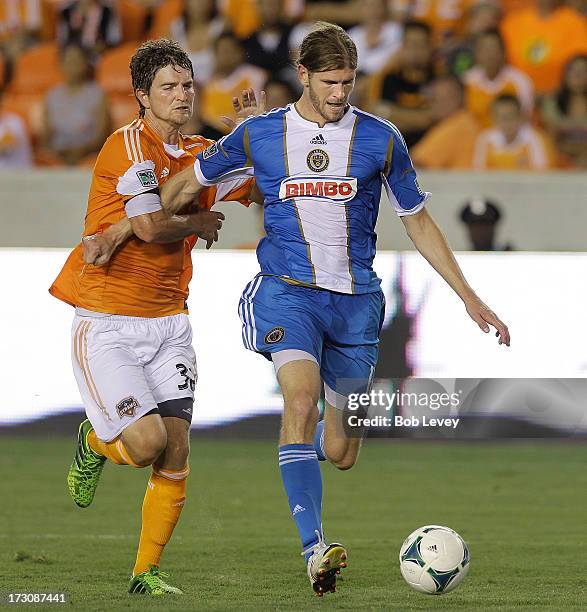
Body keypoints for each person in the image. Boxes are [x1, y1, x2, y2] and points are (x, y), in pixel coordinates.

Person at [85, 22, 510, 598]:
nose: (340, 93)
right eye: (330, 82)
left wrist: (469, 296)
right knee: (300, 399)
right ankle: (314, 550)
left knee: (340, 450)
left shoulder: (382, 139)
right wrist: (116, 230)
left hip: (357, 306)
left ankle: (315, 459)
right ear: (303, 75)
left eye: (349, 82)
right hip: (287, 292)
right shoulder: (262, 134)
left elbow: (417, 220)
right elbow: (183, 186)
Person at [49, 39, 257, 596]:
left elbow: (259, 186)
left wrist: (254, 136)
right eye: (168, 86)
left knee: (177, 447)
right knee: (143, 445)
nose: (182, 94)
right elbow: (147, 226)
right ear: (142, 96)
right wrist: (199, 221)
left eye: (187, 84)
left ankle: (146, 572)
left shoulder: (200, 152)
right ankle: (94, 441)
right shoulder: (127, 148)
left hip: (171, 321)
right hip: (109, 320)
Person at [39, 43, 109, 166]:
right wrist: (52, 153)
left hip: (87, 155)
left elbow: (101, 135)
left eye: (77, 61)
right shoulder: (52, 95)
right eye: (68, 61)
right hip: (58, 154)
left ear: (85, 64)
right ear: (60, 65)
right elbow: (46, 136)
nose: (73, 65)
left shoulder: (97, 94)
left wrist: (82, 151)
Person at [369, 20, 436, 146]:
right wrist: (419, 119)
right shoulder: (387, 78)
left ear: (430, 47)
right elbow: (374, 116)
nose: (414, 51)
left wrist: (390, 113)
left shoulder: (439, 79)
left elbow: (432, 119)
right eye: (409, 45)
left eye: (420, 45)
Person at [463, 28, 534, 127]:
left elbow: (525, 118)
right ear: (477, 53)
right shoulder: (468, 80)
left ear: (503, 52)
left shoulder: (519, 81)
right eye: (484, 49)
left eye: (493, 49)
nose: (489, 54)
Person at [411, 75, 480, 169]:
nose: (435, 104)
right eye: (434, 99)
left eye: (445, 98)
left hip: (458, 182)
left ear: (460, 99)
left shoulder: (456, 127)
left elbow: (415, 165)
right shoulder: (466, 121)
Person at [473, 94, 554, 170]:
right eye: (502, 118)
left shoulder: (535, 139)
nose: (507, 123)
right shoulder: (484, 140)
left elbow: (542, 177)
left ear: (520, 117)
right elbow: (478, 174)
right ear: (493, 119)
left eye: (511, 117)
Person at [541, 54, 587, 168]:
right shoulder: (552, 101)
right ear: (565, 75)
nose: (578, 76)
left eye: (583, 71)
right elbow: (551, 136)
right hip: (560, 159)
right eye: (574, 71)